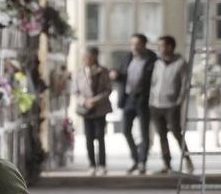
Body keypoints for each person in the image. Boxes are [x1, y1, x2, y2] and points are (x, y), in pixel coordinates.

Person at [111, 33, 158, 174]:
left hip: (144, 99)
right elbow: (121, 74)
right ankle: (135, 158)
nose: (134, 47)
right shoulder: (127, 58)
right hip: (128, 99)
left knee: (144, 132)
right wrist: (116, 75)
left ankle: (142, 162)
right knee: (125, 130)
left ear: (144, 45)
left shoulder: (152, 60)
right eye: (132, 44)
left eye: (137, 44)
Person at [148, 35, 193, 174]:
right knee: (161, 135)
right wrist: (151, 100)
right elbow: (153, 83)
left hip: (171, 105)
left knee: (176, 133)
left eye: (162, 46)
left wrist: (178, 102)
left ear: (170, 47)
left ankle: (187, 159)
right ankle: (166, 164)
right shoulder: (158, 63)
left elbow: (185, 85)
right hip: (156, 105)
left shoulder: (181, 63)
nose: (159, 49)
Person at [75, 46, 113, 176]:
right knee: (88, 138)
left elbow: (108, 89)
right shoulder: (79, 72)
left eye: (87, 56)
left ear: (94, 57)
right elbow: (76, 92)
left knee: (100, 137)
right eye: (84, 56)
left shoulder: (103, 71)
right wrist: (85, 101)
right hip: (86, 110)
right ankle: (91, 164)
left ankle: (102, 164)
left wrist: (95, 100)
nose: (85, 59)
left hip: (100, 109)